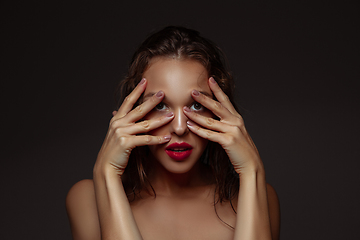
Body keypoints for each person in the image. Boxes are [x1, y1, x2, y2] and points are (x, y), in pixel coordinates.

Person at [66, 26, 280, 240]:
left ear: (219, 112)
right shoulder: (87, 199)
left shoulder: (258, 196)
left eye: (196, 105)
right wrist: (107, 173)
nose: (179, 128)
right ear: (135, 112)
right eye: (160, 105)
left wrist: (252, 171)